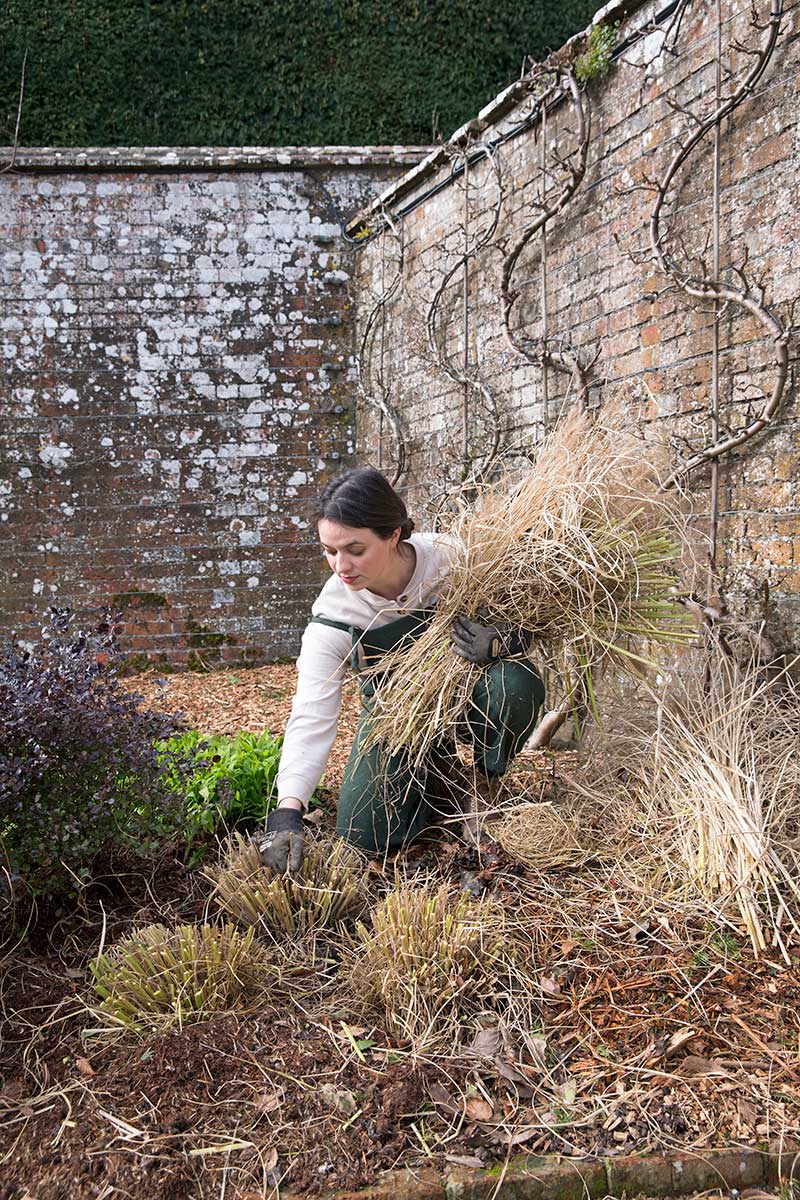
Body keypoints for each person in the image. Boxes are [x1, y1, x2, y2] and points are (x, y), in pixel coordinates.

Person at [257, 467, 544, 873]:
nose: (341, 565)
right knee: (364, 835)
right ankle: (436, 772)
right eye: (329, 550)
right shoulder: (334, 617)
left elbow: (533, 617)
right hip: (397, 718)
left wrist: (500, 640)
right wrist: (288, 811)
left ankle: (483, 785)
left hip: (466, 698)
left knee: (515, 682)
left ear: (393, 535)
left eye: (355, 549)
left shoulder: (452, 560)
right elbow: (311, 713)